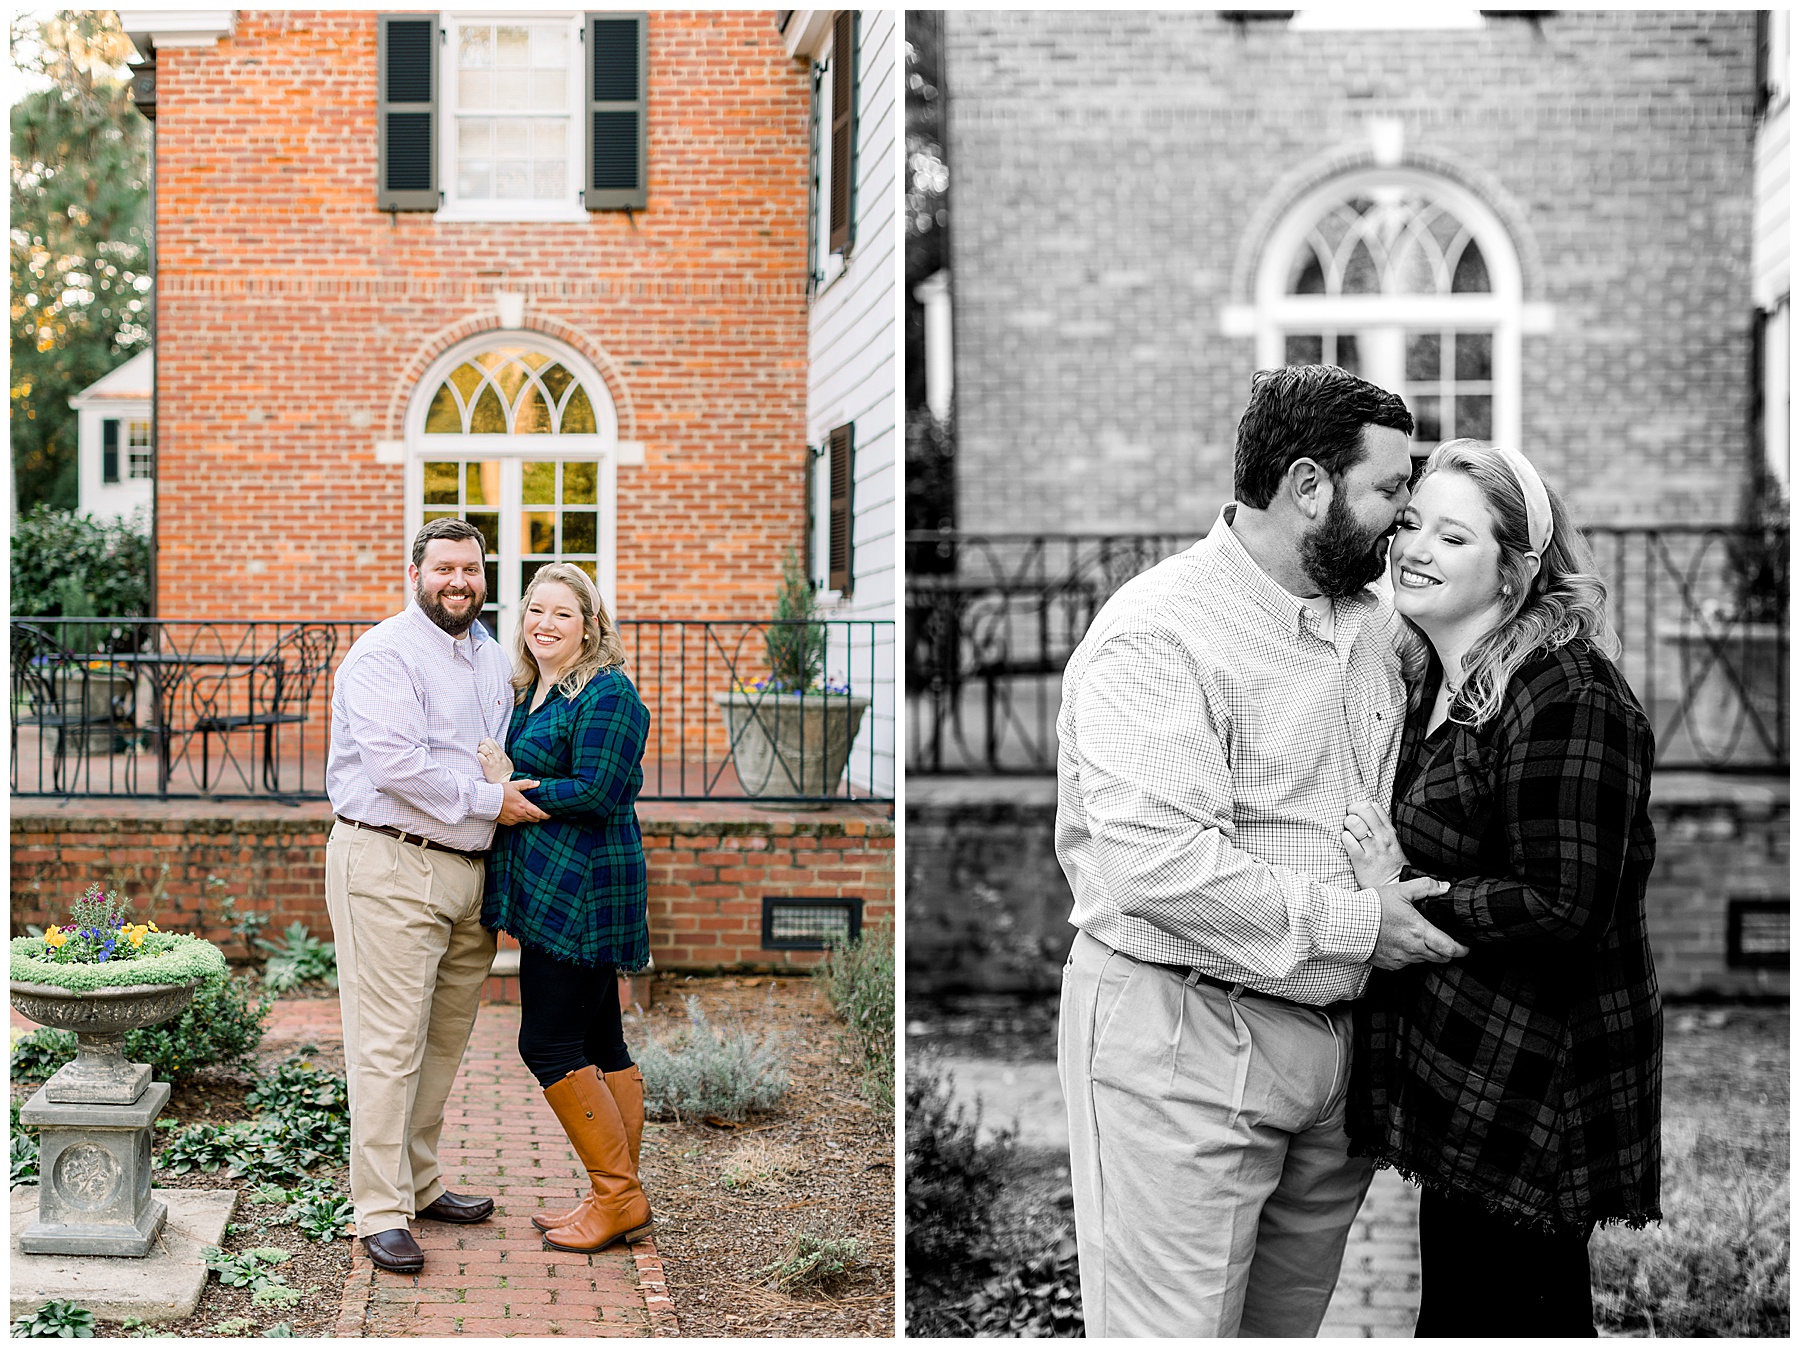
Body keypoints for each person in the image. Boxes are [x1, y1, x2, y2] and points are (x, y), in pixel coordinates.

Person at [1055, 364, 1469, 1338]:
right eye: (1391, 490)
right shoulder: (1160, 634)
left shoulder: (1375, 627)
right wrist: (1367, 923)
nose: (1405, 519)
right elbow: (1157, 864)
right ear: (1309, 487)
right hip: (1183, 1036)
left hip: (1337, 1061)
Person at [1341, 440, 1661, 1337]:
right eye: (1410, 523)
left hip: (1537, 1084)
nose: (1415, 548)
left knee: (1518, 1319)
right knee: (1458, 1316)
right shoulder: (1432, 686)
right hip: (1463, 1072)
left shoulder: (1567, 693)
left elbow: (1565, 901)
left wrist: (1406, 897)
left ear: (1516, 575)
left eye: (1453, 536)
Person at [325, 517, 550, 1274]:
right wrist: (495, 803)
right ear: (414, 572)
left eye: (472, 570)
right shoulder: (385, 654)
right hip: (390, 864)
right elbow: (397, 768)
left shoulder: (489, 654)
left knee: (443, 1041)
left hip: (467, 875)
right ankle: (378, 1210)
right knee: (387, 1046)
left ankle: (420, 1184)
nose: (460, 581)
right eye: (445, 568)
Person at [476, 562, 655, 1254]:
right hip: (550, 881)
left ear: (591, 625)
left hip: (585, 889)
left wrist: (516, 787)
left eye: (562, 613)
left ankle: (617, 1197)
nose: (545, 624)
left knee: (546, 1043)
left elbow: (601, 789)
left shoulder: (609, 694)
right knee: (600, 1042)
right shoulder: (533, 691)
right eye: (535, 611)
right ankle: (619, 1195)